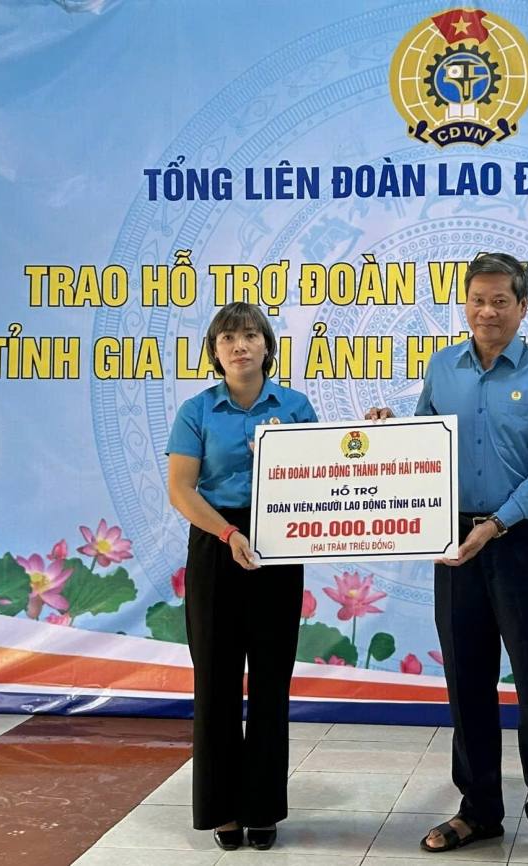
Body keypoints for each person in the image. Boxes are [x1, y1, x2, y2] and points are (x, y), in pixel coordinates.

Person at [366, 252, 528, 865]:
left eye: (500, 302)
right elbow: (423, 444)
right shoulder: (443, 367)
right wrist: (384, 431)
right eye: (477, 300)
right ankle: (480, 810)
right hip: (452, 542)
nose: (487, 312)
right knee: (467, 681)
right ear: (465, 302)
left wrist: (495, 525)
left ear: (523, 306)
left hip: (523, 541)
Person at [167, 302, 317, 851]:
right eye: (228, 338)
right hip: (216, 543)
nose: (240, 346)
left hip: (279, 547)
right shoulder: (197, 411)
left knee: (272, 684)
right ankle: (221, 809)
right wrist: (229, 536)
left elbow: (328, 480)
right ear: (215, 352)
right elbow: (182, 489)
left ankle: (262, 809)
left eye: (250, 335)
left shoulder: (296, 406)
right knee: (217, 683)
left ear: (266, 346)